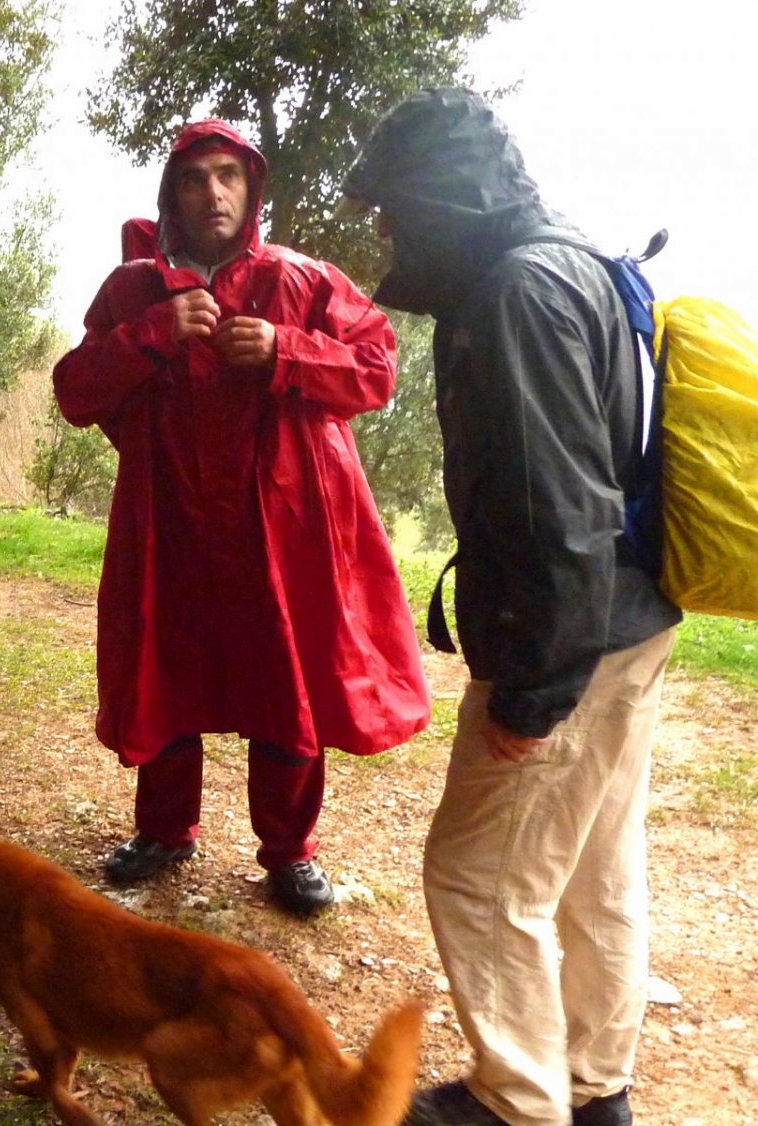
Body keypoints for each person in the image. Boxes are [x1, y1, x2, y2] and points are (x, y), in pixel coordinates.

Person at [337, 87, 683, 1126]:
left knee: (478, 875)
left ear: (448, 194)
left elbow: (555, 511)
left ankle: (517, 1103)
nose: (390, 232)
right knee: (592, 873)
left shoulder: (517, 292)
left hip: (573, 636)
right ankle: (590, 1087)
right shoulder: (575, 258)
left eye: (395, 207)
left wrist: (531, 695)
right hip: (634, 620)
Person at [53, 118, 431, 916]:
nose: (212, 192)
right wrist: (149, 335)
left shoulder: (302, 281)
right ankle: (164, 830)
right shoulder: (134, 291)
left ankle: (290, 852)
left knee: (282, 678)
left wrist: (290, 350)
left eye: (228, 175)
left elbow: (376, 367)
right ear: (173, 193)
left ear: (251, 188)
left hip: (281, 527)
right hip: (169, 525)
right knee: (166, 669)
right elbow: (76, 390)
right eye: (195, 178)